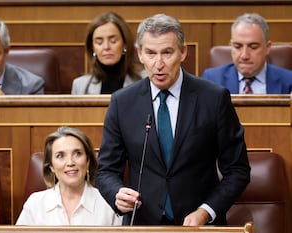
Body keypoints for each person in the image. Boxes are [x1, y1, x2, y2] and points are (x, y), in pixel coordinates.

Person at [95, 14, 250, 226]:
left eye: (167, 53)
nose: (159, 64)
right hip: (144, 224)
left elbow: (238, 170)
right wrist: (116, 193)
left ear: (183, 52)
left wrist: (206, 211)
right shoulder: (122, 102)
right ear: (140, 54)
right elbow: (106, 171)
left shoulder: (213, 98)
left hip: (200, 226)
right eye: (150, 53)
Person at [16, 126, 121, 225]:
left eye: (77, 153)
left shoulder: (108, 203)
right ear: (51, 166)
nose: (70, 162)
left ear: (88, 160)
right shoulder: (35, 204)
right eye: (60, 156)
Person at [202, 13, 292, 94]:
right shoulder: (212, 80)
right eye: (238, 47)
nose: (244, 55)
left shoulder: (288, 81)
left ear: (267, 47)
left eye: (253, 47)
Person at [71, 11, 143, 94]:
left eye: (113, 41)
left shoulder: (145, 80)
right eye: (99, 42)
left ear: (125, 44)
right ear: (92, 48)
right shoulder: (80, 85)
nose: (106, 47)